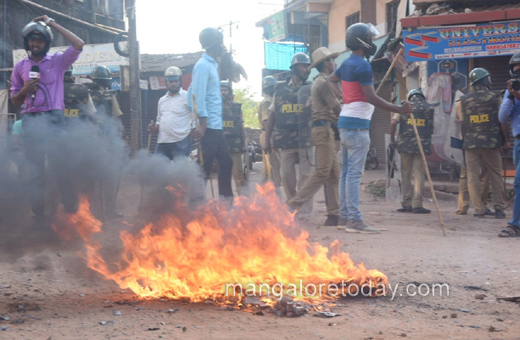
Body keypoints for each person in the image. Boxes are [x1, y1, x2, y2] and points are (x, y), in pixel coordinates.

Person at [328, 23, 413, 233]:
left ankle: (345, 218)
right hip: (357, 126)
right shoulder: (364, 66)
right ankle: (355, 220)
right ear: (363, 42)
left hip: (345, 123)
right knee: (354, 174)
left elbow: (331, 79)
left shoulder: (346, 63)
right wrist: (399, 109)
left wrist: (343, 97)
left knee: (346, 173)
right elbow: (371, 97)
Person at [10, 15, 84, 225]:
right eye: (32, 40)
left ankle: (71, 212)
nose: (35, 44)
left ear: (46, 43)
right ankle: (39, 217)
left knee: (61, 167)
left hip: (53, 119)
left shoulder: (58, 61)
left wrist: (51, 23)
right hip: (31, 120)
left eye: (40, 40)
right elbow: (15, 100)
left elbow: (78, 44)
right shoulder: (20, 67)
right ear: (27, 42)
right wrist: (25, 89)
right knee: (36, 172)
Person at [287, 47, 341, 226]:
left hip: (326, 130)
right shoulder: (324, 83)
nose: (335, 63)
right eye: (332, 60)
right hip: (323, 130)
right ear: (326, 64)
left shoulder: (321, 82)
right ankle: (293, 204)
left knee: (334, 173)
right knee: (322, 172)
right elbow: (336, 109)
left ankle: (333, 214)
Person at [263, 52, 314, 217]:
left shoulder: (311, 88)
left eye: (308, 66)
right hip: (285, 140)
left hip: (306, 140)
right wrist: (267, 138)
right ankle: (293, 205)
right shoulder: (280, 89)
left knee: (306, 177)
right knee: (287, 176)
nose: (307, 69)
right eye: (303, 66)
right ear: (294, 68)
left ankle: (305, 209)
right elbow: (272, 115)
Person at [457, 67, 508, 219]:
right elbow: (502, 120)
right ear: (485, 80)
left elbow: (462, 124)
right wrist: (506, 140)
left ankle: (479, 210)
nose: (491, 81)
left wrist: (465, 142)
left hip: (471, 143)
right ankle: (499, 209)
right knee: (496, 175)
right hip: (491, 143)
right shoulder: (495, 97)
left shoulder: (462, 101)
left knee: (472, 176)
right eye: (489, 78)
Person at [189, 27, 233, 199]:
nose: (223, 46)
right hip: (207, 127)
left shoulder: (212, 65)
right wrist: (202, 124)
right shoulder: (202, 66)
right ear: (214, 45)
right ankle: (195, 205)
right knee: (203, 167)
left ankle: (225, 201)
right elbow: (197, 95)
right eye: (220, 42)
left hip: (215, 125)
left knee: (226, 162)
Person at [88, 65, 124, 219]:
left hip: (92, 142)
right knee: (108, 178)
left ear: (93, 79)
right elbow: (117, 119)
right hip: (106, 142)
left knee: (94, 180)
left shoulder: (87, 94)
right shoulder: (110, 95)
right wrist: (121, 138)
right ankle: (109, 211)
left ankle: (95, 212)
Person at [390, 89, 433, 214]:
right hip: (421, 145)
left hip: (405, 145)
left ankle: (406, 203)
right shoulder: (428, 108)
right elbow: (432, 129)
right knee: (419, 174)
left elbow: (393, 122)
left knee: (406, 174)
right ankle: (417, 205)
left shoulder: (404, 106)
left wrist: (393, 139)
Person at [149, 66, 193, 160]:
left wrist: (191, 137)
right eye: (170, 81)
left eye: (176, 81)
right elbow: (159, 121)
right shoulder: (162, 100)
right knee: (158, 170)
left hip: (180, 141)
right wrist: (154, 128)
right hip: (162, 142)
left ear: (180, 81)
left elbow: (195, 118)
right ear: (166, 82)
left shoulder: (187, 96)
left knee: (179, 172)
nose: (173, 84)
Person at [499, 51, 520, 236]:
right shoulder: (510, 91)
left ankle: (516, 224)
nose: (517, 71)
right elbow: (502, 116)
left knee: (519, 182)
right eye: (515, 68)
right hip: (518, 143)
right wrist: (511, 96)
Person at [220, 81, 248, 195]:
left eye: (225, 90)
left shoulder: (236, 107)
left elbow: (241, 126)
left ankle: (242, 201)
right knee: (223, 175)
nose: (223, 92)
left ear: (229, 92)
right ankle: (225, 201)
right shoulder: (213, 108)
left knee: (238, 174)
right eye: (220, 90)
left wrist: (244, 144)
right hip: (220, 146)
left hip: (235, 145)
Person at [258, 76, 282, 187]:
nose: (275, 89)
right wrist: (271, 139)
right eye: (273, 87)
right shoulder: (267, 102)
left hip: (267, 134)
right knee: (273, 166)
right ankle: (273, 194)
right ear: (268, 88)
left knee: (267, 169)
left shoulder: (269, 100)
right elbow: (267, 122)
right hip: (269, 134)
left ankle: (264, 196)